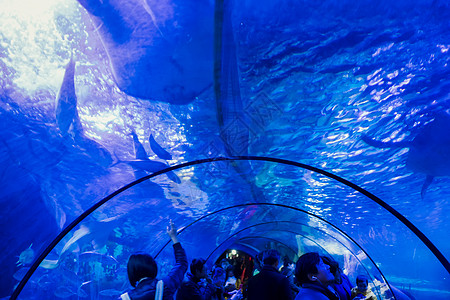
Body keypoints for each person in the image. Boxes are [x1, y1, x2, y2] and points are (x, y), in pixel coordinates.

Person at [121, 220, 188, 300]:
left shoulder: (124, 298)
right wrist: (174, 237)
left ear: (131, 272)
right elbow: (181, 263)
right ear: (153, 266)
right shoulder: (166, 285)